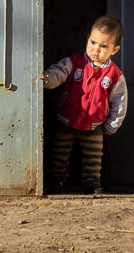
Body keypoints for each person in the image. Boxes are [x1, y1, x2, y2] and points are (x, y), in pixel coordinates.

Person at [41, 15, 127, 194]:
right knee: (59, 155)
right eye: (93, 42)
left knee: (93, 158)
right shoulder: (73, 63)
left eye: (103, 46)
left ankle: (92, 184)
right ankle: (56, 182)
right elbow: (58, 74)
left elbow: (119, 101)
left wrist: (113, 124)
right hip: (66, 120)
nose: (96, 49)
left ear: (114, 49)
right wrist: (47, 78)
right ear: (88, 38)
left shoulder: (114, 74)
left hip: (94, 125)